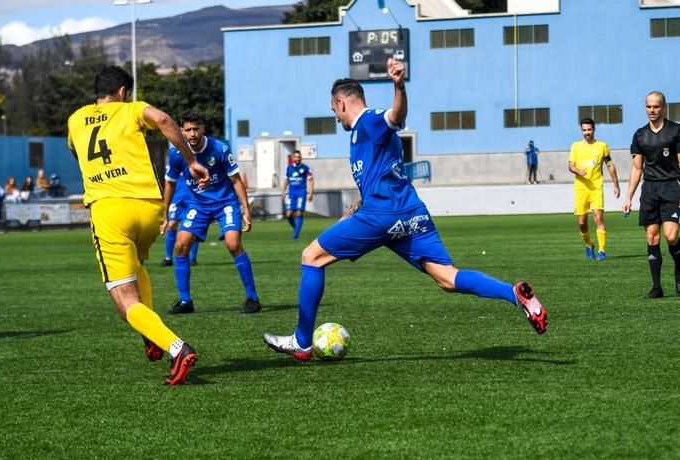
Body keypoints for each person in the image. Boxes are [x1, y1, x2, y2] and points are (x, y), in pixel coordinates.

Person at [263, 59, 548, 361]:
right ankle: (514, 294)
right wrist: (359, 204)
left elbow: (395, 116)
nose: (335, 117)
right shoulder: (364, 137)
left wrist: (398, 85)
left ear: (340, 102)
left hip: (381, 216)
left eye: (334, 110)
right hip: (411, 212)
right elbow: (382, 173)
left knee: (311, 256)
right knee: (447, 279)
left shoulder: (369, 120)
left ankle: (302, 341)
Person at [67, 65, 209, 385]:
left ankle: (176, 347)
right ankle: (152, 334)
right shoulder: (132, 109)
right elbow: (162, 119)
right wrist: (191, 160)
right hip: (148, 208)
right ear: (121, 92)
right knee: (139, 265)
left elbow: (75, 149)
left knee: (124, 299)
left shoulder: (75, 119)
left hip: (109, 210)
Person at [163, 112, 261, 315]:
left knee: (233, 244)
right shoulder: (176, 154)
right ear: (182, 131)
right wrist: (164, 213)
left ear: (203, 129)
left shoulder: (219, 149)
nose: (192, 133)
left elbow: (236, 180)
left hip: (225, 203)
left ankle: (252, 297)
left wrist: (246, 210)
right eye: (188, 129)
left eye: (196, 128)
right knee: (180, 245)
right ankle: (185, 301)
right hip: (197, 205)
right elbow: (170, 183)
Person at [622, 91, 680, 299]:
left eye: (656, 106)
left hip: (672, 187)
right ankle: (656, 287)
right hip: (650, 190)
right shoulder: (640, 135)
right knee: (652, 236)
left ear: (663, 108)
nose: (652, 110)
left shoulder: (676, 131)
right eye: (648, 106)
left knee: (672, 236)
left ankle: (678, 270)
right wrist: (629, 196)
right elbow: (637, 168)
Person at [568, 118, 621, 261]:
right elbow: (571, 166)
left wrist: (616, 184)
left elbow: (610, 165)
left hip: (596, 188)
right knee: (582, 223)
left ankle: (602, 251)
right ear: (581, 131)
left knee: (598, 217)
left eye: (589, 130)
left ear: (594, 129)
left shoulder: (602, 146)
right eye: (584, 130)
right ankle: (589, 245)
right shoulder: (575, 146)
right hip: (581, 189)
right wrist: (578, 171)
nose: (587, 132)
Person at [159, 169, 200, 267]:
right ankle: (168, 258)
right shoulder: (175, 158)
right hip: (177, 198)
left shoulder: (195, 160)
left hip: (192, 198)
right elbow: (169, 181)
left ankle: (192, 258)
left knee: (192, 226)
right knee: (172, 225)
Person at [281, 150, 314, 240]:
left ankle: (295, 236)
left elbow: (311, 180)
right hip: (291, 193)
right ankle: (297, 229)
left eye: (299, 157)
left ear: (301, 158)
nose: (297, 158)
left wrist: (311, 193)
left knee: (299, 212)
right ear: (293, 158)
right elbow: (286, 180)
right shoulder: (289, 168)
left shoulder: (305, 168)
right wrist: (283, 191)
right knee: (288, 215)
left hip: (301, 193)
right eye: (296, 157)